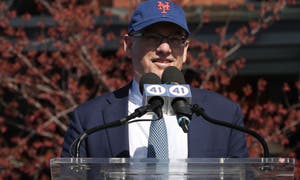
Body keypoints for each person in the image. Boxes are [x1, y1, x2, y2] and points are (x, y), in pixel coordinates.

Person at [61, 0, 248, 158]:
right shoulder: (89, 120)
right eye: (152, 37)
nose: (165, 48)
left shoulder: (223, 115)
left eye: (175, 39)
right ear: (128, 44)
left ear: (186, 50)